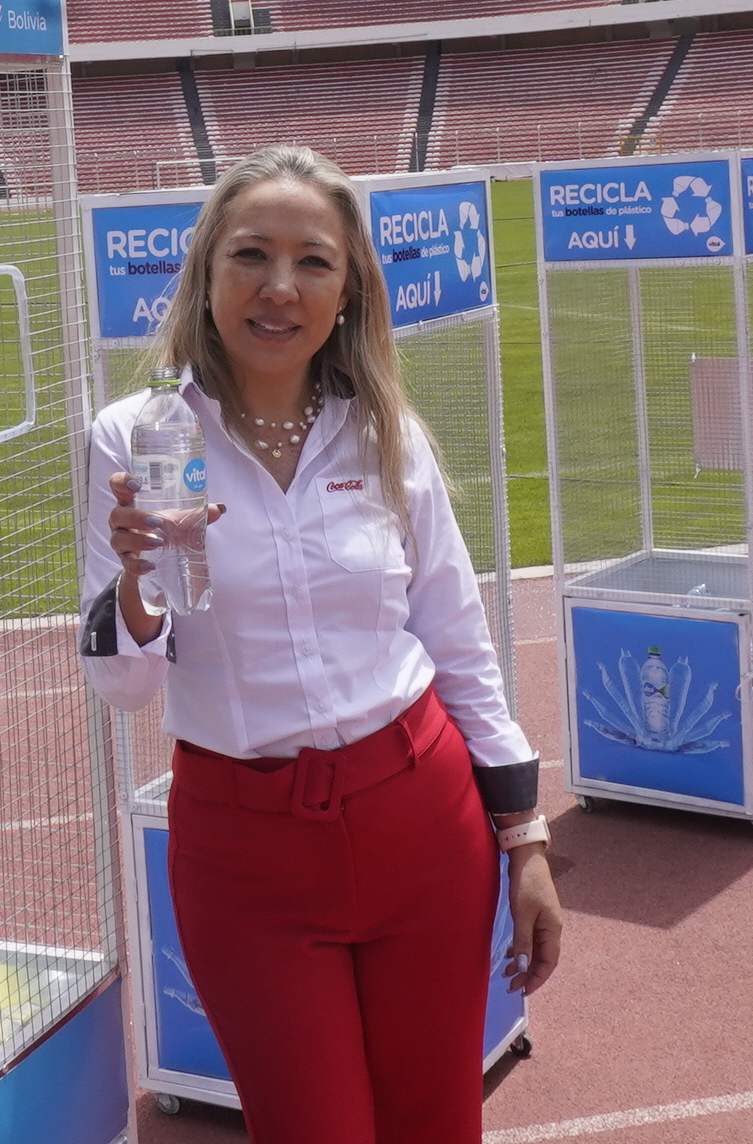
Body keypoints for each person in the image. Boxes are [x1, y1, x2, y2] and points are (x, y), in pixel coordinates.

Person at [77, 145, 559, 1144]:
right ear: (206, 270)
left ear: (347, 291)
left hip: (419, 817)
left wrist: (526, 839)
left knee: (436, 1124)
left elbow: (457, 643)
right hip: (246, 849)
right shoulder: (133, 438)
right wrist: (134, 581)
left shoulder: (385, 431)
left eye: (314, 262)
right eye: (250, 254)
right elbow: (122, 686)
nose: (278, 287)